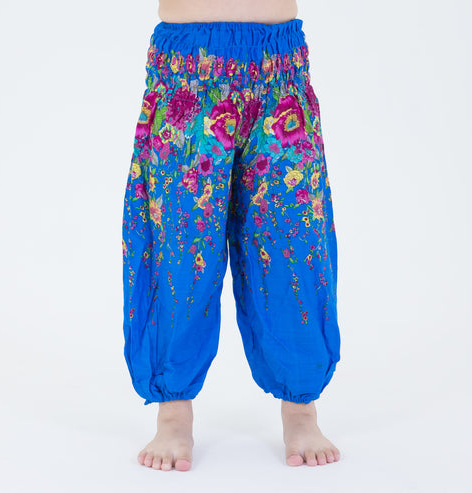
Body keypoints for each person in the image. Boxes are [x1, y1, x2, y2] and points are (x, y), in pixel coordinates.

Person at [121, 0, 342, 470]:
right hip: (187, 74)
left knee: (293, 246)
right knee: (178, 250)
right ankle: (173, 411)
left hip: (279, 72)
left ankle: (301, 406)